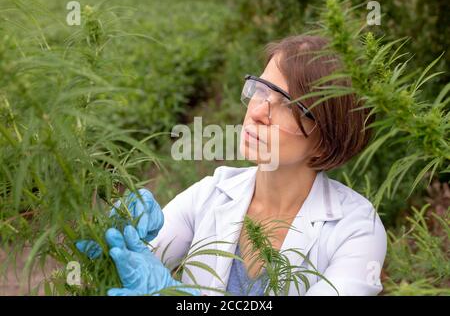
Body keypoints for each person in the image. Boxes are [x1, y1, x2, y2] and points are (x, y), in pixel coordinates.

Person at [78, 35, 387, 296]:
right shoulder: (212, 192)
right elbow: (127, 267)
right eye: (263, 90)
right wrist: (113, 237)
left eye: (288, 105)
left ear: (327, 138)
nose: (257, 112)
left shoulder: (357, 230)